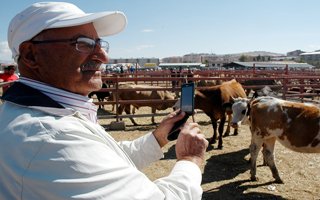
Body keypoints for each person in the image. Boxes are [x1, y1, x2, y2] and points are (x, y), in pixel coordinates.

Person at [0, 2, 208, 199]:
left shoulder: (42, 114)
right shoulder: (52, 137)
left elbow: (104, 159)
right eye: (83, 44)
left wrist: (158, 137)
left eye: (99, 43)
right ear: (31, 55)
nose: (103, 56)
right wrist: (190, 159)